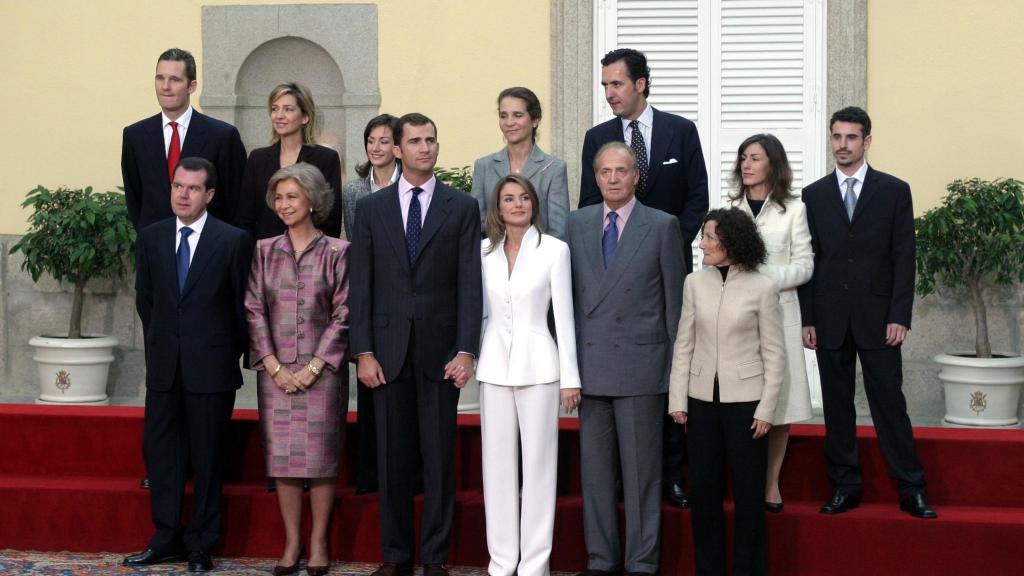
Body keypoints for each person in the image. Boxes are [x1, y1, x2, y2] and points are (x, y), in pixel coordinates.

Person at [349, 113, 482, 576]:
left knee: (440, 461)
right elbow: (359, 285)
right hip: (385, 354)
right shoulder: (370, 209)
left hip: (442, 355)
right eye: (416, 141)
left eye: (432, 139)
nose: (426, 148)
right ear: (399, 149)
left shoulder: (462, 207)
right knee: (391, 460)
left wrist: (467, 349)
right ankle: (395, 555)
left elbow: (470, 284)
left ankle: (436, 557)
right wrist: (362, 351)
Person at [579, 48, 709, 507]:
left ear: (641, 83)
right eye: (605, 86)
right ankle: (616, 477)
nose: (610, 93)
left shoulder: (681, 131)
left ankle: (672, 474)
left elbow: (698, 199)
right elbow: (586, 209)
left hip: (667, 270)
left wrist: (667, 250)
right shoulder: (597, 137)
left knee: (668, 367)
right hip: (613, 283)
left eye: (616, 84)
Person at [799, 106, 936, 519]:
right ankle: (845, 485)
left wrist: (900, 314)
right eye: (837, 137)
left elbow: (903, 256)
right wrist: (808, 318)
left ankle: (911, 488)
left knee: (889, 404)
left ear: (867, 141)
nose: (843, 145)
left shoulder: (894, 190)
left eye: (851, 138)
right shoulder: (814, 194)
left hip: (880, 320)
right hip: (829, 319)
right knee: (837, 406)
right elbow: (809, 260)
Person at [125, 157, 254, 573]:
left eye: (193, 188)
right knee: (162, 456)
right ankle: (165, 538)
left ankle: (201, 543)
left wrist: (218, 350)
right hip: (164, 367)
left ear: (209, 195)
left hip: (212, 368)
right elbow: (147, 301)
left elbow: (241, 308)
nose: (182, 194)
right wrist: (164, 344)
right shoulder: (151, 237)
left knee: (208, 457)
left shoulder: (233, 240)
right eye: (178, 186)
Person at [567, 142, 685, 576]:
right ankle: (600, 560)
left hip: (643, 370)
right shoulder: (575, 224)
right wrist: (567, 368)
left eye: (622, 170)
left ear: (637, 176)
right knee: (595, 477)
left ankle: (641, 563)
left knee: (641, 478)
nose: (613, 178)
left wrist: (677, 378)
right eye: (604, 171)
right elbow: (566, 301)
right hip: (590, 368)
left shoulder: (662, 225)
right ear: (595, 177)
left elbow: (676, 306)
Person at [245, 163, 350, 576]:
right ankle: (291, 543)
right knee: (283, 459)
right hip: (274, 374)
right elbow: (253, 309)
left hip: (322, 374)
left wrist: (314, 366)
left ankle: (319, 543)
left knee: (321, 460)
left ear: (312, 201)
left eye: (292, 196)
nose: (284, 204)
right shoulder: (262, 251)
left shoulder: (339, 252)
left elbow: (345, 313)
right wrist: (272, 365)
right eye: (279, 197)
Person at [669, 207, 784, 576]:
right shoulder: (693, 283)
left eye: (709, 237)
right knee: (703, 492)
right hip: (701, 402)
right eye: (702, 236)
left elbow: (775, 355)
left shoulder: (762, 287)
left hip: (748, 405)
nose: (702, 243)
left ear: (731, 241)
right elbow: (683, 345)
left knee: (749, 497)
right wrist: (677, 400)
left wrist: (766, 409)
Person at [477, 175, 581, 576]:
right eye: (508, 199)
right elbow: (480, 311)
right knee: (497, 469)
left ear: (534, 204)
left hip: (541, 367)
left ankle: (534, 564)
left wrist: (571, 377)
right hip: (493, 367)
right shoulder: (483, 251)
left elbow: (565, 319)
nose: (517, 204)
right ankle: (502, 562)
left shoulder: (555, 250)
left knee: (539, 468)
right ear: (498, 207)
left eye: (524, 198)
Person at [727, 134, 813, 512]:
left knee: (779, 404)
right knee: (743, 397)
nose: (747, 164)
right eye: (743, 158)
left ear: (772, 165)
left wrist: (761, 276)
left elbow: (806, 265)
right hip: (737, 318)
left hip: (780, 313)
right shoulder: (729, 210)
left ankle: (771, 482)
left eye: (755, 158)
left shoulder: (793, 209)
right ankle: (743, 477)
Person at [341, 113, 402, 496]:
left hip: (405, 297)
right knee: (370, 389)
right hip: (369, 295)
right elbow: (353, 246)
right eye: (371, 140)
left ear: (397, 146)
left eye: (384, 140)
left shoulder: (413, 184)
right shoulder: (353, 191)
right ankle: (370, 475)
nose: (376, 148)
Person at [122, 48, 246, 231]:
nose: (165, 86)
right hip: (155, 246)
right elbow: (135, 198)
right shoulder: (135, 136)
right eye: (160, 78)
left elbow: (235, 201)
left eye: (174, 79)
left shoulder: (223, 136)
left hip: (209, 246)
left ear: (192, 86)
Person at [238, 83, 343, 240]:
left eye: (288, 109)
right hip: (265, 256)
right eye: (274, 109)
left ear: (305, 117)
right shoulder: (257, 159)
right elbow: (245, 217)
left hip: (313, 256)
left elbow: (331, 218)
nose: (279, 115)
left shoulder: (326, 158)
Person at [471, 87, 569, 239]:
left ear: (535, 120)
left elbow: (559, 230)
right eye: (503, 116)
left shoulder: (554, 168)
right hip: (494, 256)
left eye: (517, 115)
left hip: (539, 258)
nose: (509, 122)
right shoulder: (484, 166)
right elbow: (477, 224)